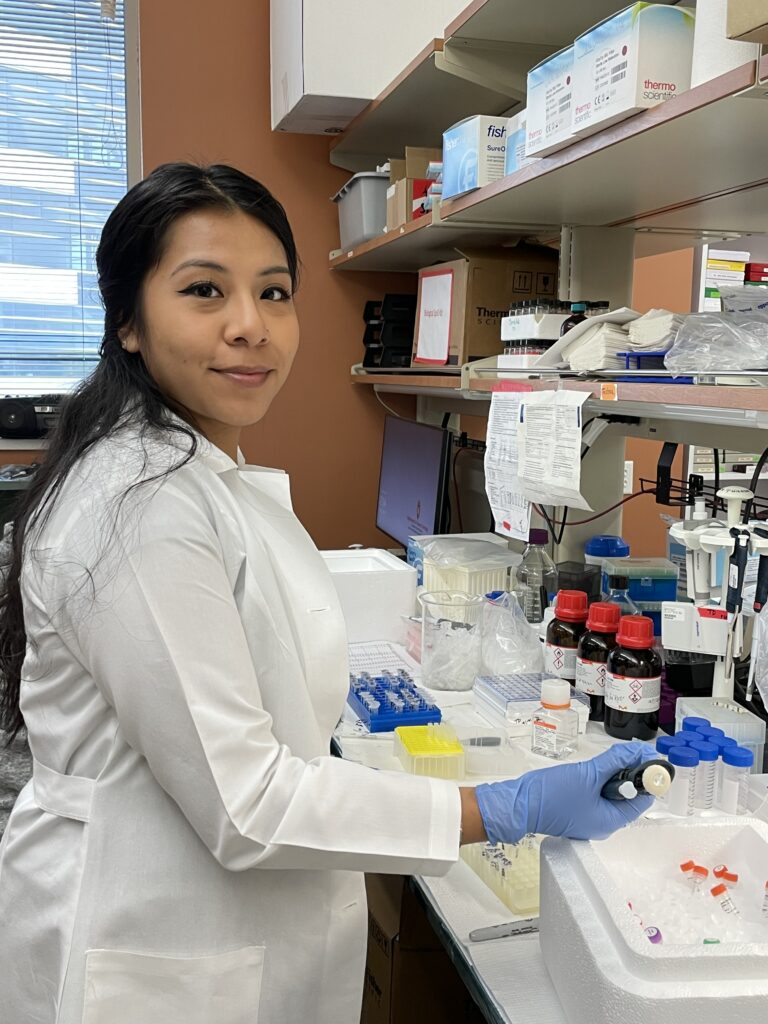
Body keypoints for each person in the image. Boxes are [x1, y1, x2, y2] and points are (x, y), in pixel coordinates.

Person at [0, 163, 655, 1024]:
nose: (250, 327)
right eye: (204, 290)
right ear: (128, 319)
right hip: (152, 941)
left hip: (206, 924)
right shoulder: (141, 503)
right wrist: (505, 806)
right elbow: (251, 803)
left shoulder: (195, 469)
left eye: (274, 293)